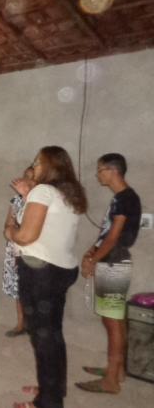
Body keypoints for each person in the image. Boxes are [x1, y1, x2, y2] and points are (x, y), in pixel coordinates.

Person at [4, 146, 87, 408]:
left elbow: (26, 236)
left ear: (50, 166)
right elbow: (50, 225)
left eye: (38, 163)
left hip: (40, 271)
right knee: (52, 334)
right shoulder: (67, 194)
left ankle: (48, 401)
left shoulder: (43, 191)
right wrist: (27, 195)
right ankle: (52, 389)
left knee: (42, 337)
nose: (34, 166)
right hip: (60, 269)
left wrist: (10, 233)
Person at [76, 153, 141, 394]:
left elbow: (113, 238)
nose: (97, 174)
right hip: (111, 260)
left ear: (113, 170)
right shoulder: (120, 198)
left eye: (100, 169)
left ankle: (111, 381)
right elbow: (105, 234)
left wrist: (93, 259)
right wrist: (91, 251)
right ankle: (118, 370)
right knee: (112, 319)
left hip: (114, 263)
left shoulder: (126, 198)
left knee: (112, 322)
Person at [2, 166, 35, 337]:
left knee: (35, 288)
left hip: (35, 250)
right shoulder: (16, 200)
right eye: (25, 176)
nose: (27, 180)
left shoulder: (39, 200)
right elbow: (8, 224)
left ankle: (36, 325)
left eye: (32, 177)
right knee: (19, 287)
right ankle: (21, 323)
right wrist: (15, 233)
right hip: (16, 246)